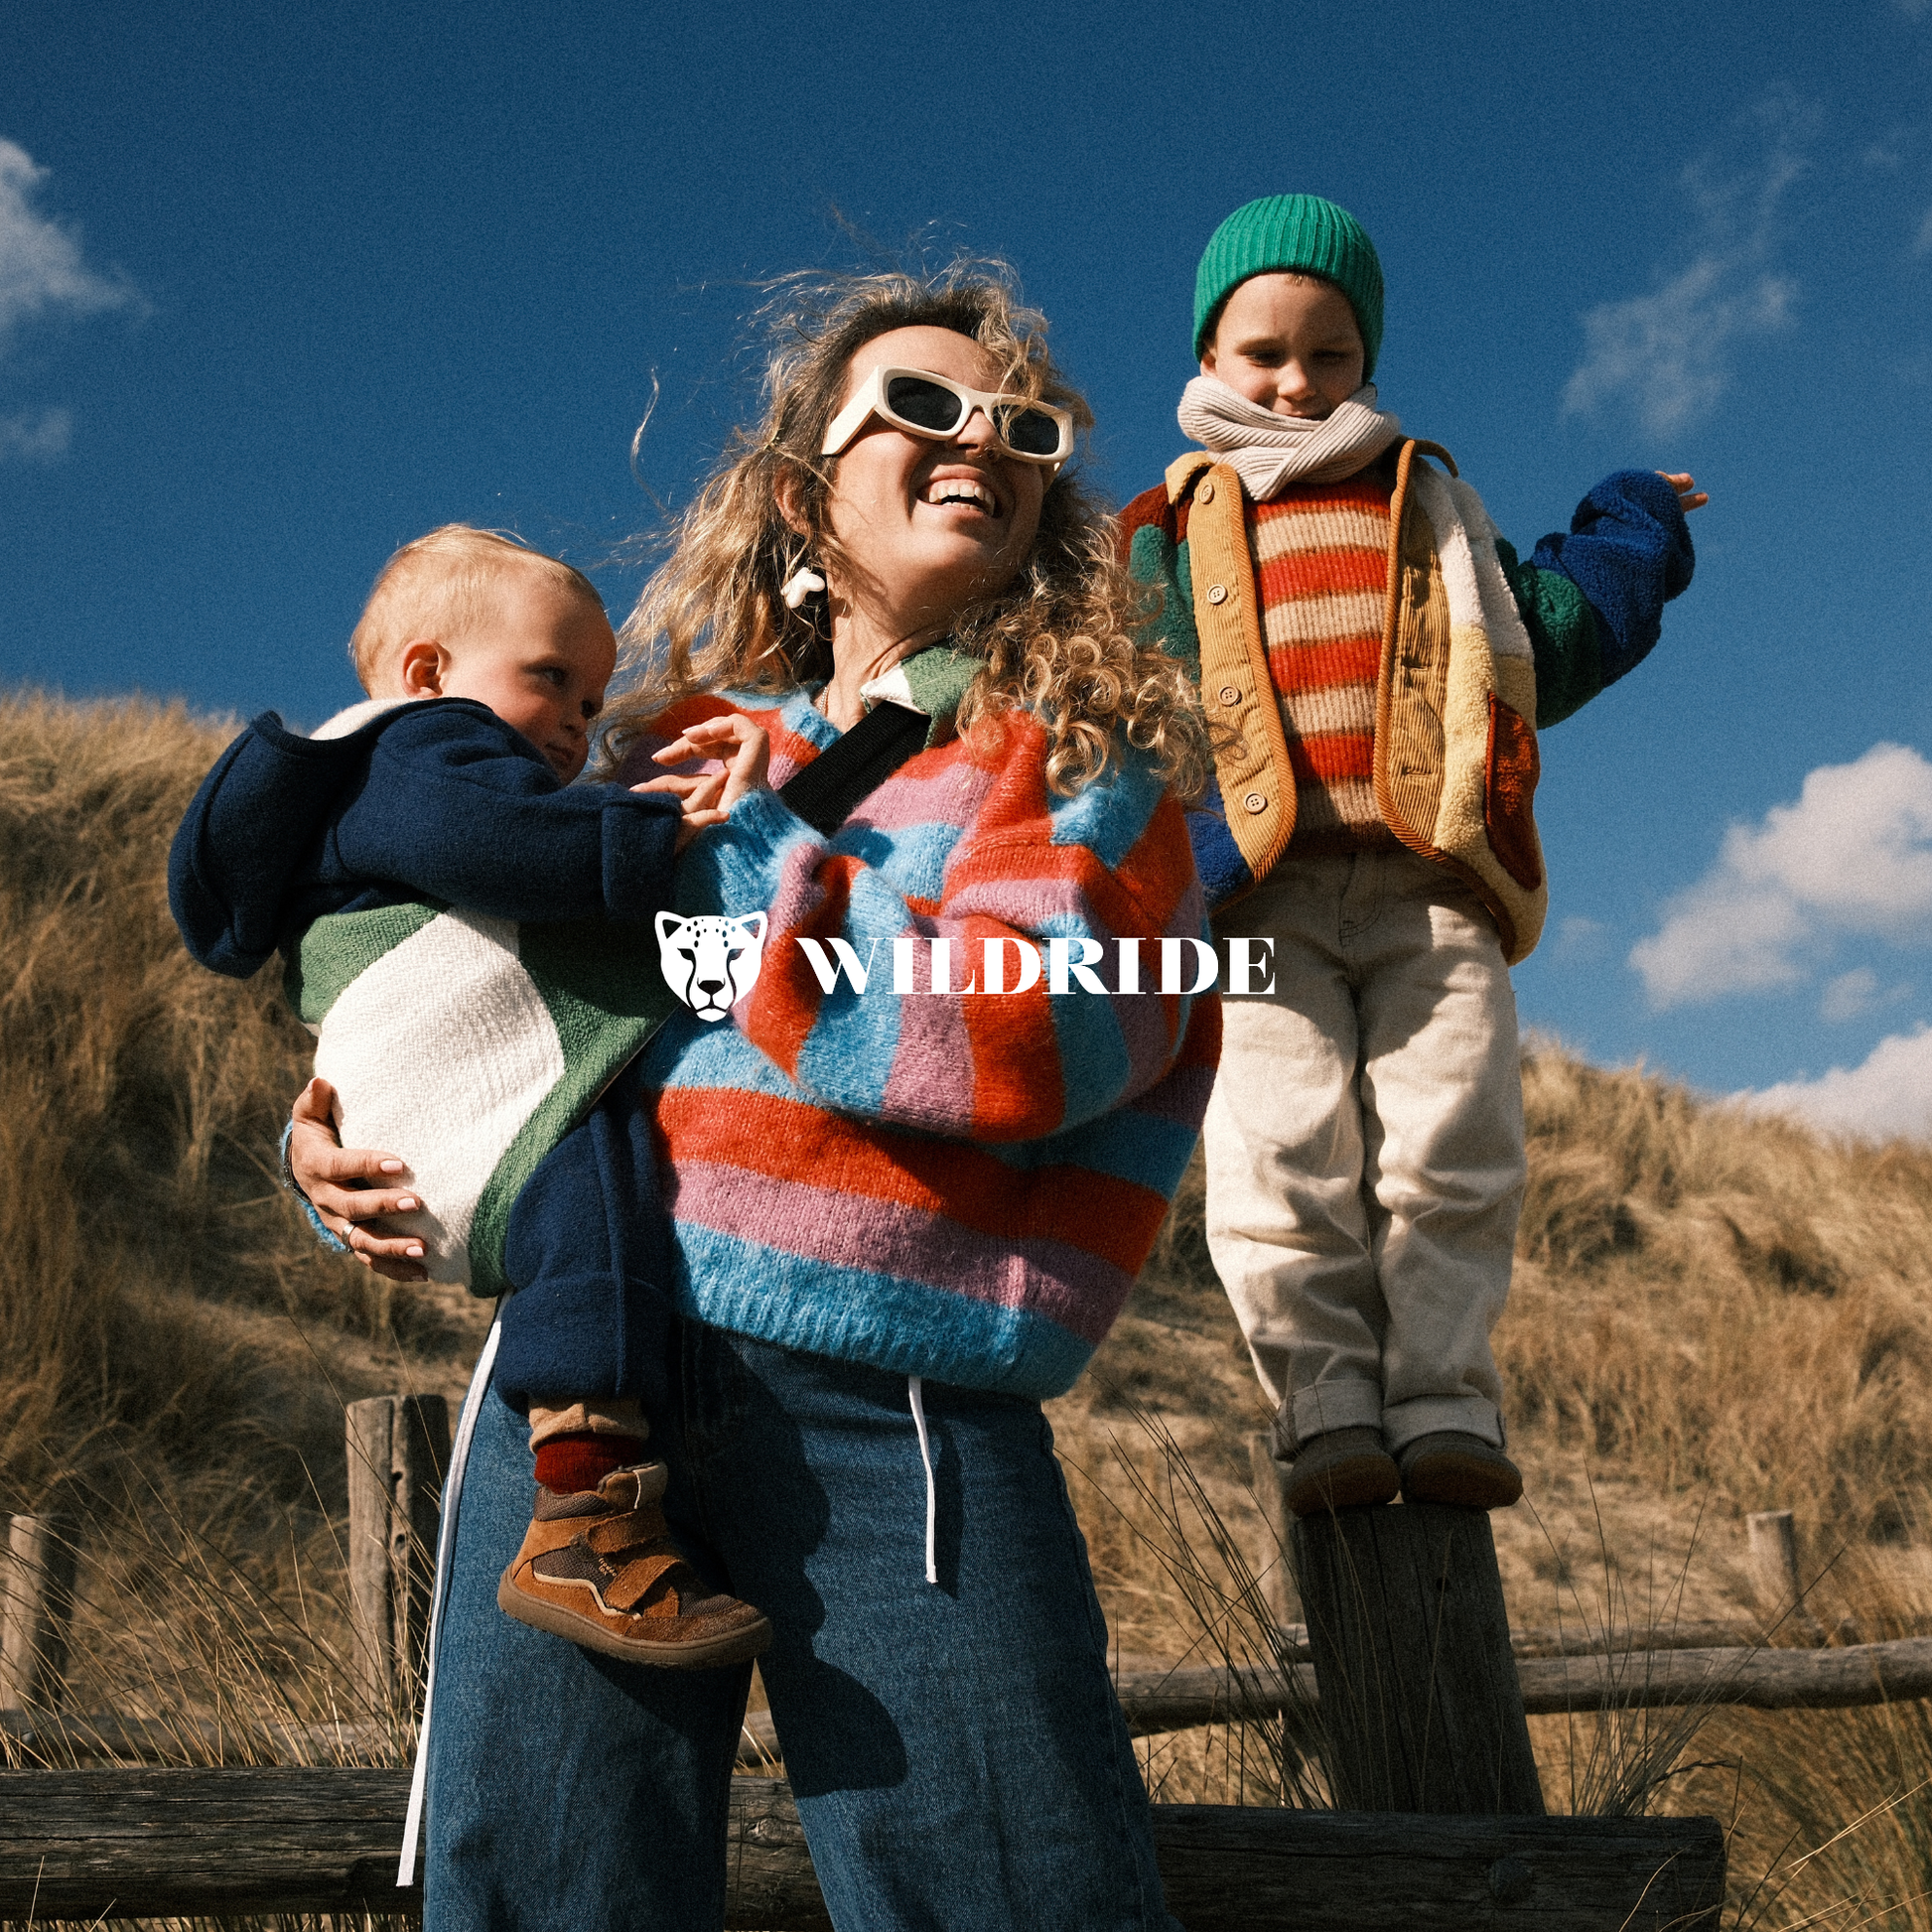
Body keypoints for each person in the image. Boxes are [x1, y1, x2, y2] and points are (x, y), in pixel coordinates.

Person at [289, 266, 1219, 1931]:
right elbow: (472, 985)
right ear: (802, 488)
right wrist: (349, 1126)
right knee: (544, 1893)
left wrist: (757, 856)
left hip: (902, 1408)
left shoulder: (1078, 755)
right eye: (926, 407)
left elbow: (1043, 1041)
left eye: (1027, 426)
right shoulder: (651, 741)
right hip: (582, 1405)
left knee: (1001, 1895)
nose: (984, 444)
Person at [1120, 195, 1703, 1518]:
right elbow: (1095, 683)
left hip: (1430, 881)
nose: (1294, 380)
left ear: (1364, 359)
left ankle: (1440, 1389)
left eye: (1328, 354)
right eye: (1261, 351)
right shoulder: (1160, 530)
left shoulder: (1424, 505)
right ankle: (1324, 1394)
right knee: (1276, 1144)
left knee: (1452, 1137)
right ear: (1207, 358)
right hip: (1250, 891)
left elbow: (1548, 630)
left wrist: (1633, 521)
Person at [168, 525, 772, 1667]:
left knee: (604, 1195)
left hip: (410, 1134)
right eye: (549, 677)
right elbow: (484, 840)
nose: (575, 724)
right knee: (598, 1198)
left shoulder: (415, 758)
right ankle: (583, 1520)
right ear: (427, 673)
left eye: (591, 700)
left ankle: (591, 1504)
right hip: (457, 1111)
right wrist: (648, 835)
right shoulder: (421, 750)